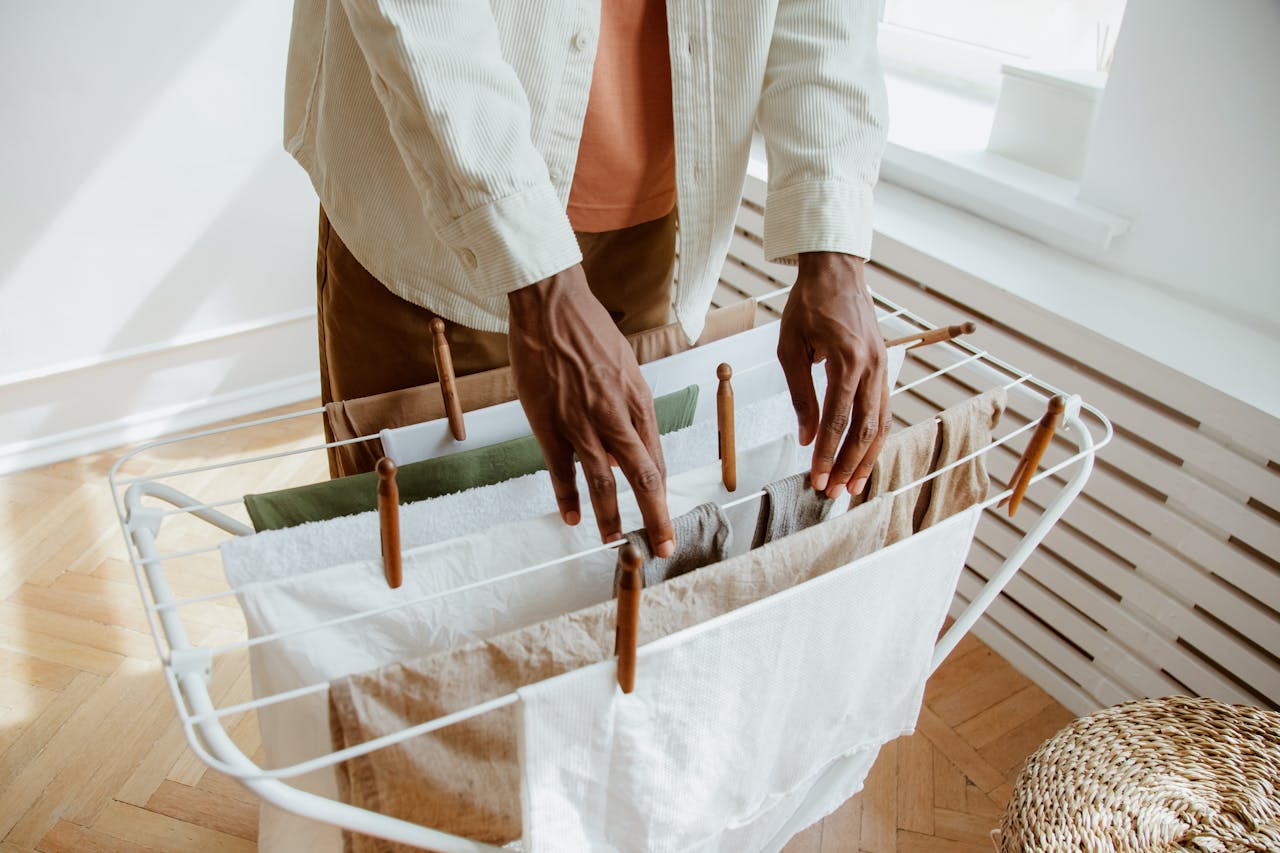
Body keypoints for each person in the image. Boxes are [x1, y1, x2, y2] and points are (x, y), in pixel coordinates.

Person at [284, 0, 890, 559]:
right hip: (432, 217)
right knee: (421, 555)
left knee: (610, 556)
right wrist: (536, 274)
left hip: (653, 222)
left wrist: (831, 234)